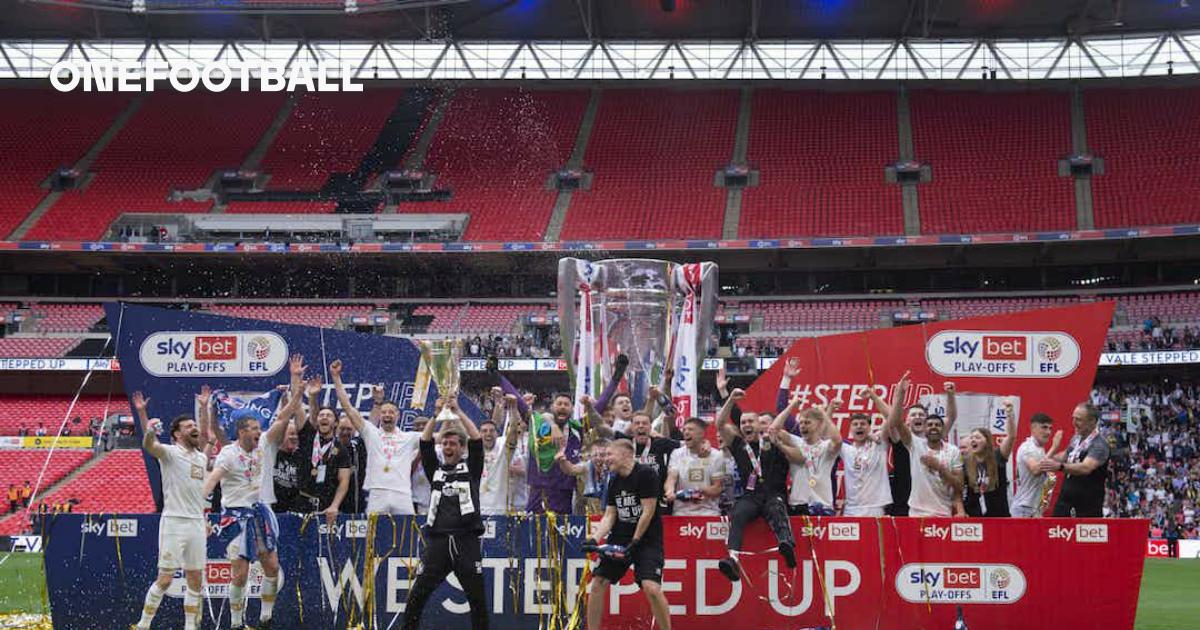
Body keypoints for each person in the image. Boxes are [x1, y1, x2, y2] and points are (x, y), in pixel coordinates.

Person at [202, 356, 302, 630]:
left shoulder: (266, 445)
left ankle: (266, 618)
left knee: (271, 567)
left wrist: (296, 387)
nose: (260, 431)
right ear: (242, 431)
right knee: (240, 575)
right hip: (235, 517)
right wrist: (202, 508)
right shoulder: (228, 454)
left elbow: (284, 416)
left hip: (261, 511)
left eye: (260, 428)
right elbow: (212, 481)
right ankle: (236, 624)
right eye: (255, 428)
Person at [401, 393, 487, 630]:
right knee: (416, 596)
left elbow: (477, 439)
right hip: (438, 542)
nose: (448, 447)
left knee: (478, 601)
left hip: (466, 541)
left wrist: (458, 412)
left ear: (461, 448)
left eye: (453, 444)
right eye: (445, 443)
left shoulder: (471, 469)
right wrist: (437, 416)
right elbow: (425, 443)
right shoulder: (435, 471)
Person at [129, 387, 210, 630]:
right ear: (176, 434)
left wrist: (204, 407)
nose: (194, 429)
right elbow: (149, 445)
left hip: (196, 523)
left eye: (194, 425)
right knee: (165, 579)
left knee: (196, 578)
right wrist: (144, 416)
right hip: (174, 522)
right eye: (188, 427)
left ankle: (189, 627)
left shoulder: (202, 458)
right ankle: (143, 625)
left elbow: (205, 436)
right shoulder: (170, 453)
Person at [584, 439, 671, 630]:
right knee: (598, 583)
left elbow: (648, 511)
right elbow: (609, 515)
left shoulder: (646, 474)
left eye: (609, 454)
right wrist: (594, 539)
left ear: (625, 454)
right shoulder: (613, 480)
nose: (605, 459)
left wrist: (636, 540)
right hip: (620, 539)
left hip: (647, 539)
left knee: (651, 588)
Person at [715, 389, 796, 582]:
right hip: (751, 495)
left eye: (750, 421)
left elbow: (776, 427)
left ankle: (786, 545)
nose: (746, 425)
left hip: (773, 492)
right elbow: (720, 424)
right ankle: (733, 559)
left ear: (760, 424)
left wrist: (792, 405)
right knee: (738, 513)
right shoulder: (738, 444)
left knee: (776, 508)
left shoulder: (771, 441)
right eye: (743, 422)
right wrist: (730, 401)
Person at [330, 359, 422, 515]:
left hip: (403, 494)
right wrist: (336, 378)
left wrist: (447, 410)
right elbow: (348, 408)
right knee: (372, 536)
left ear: (397, 415)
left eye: (391, 412)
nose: (387, 415)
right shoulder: (371, 433)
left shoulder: (409, 437)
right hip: (377, 494)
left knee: (407, 535)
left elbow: (437, 437)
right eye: (384, 412)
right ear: (380, 414)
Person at [870, 381, 958, 516]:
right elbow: (892, 417)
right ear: (906, 421)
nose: (918, 417)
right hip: (903, 501)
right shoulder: (901, 435)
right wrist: (875, 397)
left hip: (934, 504)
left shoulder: (934, 437)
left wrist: (950, 395)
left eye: (921, 415)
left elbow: (950, 417)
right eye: (913, 415)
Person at [300, 375, 352, 524]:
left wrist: (334, 506)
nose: (324, 418)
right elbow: (312, 415)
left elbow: (344, 481)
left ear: (335, 423)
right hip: (302, 504)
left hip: (326, 506)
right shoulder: (309, 439)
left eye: (328, 416)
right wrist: (313, 396)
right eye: (321, 415)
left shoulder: (341, 449)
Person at [1045, 402, 1110, 518]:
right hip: (1065, 502)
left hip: (1086, 506)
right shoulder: (1076, 438)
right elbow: (1064, 456)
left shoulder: (1099, 444)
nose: (1074, 423)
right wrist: (1045, 457)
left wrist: (1060, 467)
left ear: (1092, 421)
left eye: (1079, 420)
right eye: (1073, 418)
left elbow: (1086, 467)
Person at [777, 403, 841, 516]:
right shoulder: (795, 442)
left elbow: (837, 440)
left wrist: (824, 414)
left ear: (819, 425)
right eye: (801, 423)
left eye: (807, 423)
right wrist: (792, 405)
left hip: (823, 505)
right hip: (798, 504)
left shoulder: (826, 446)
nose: (802, 426)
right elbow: (774, 430)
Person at [961, 400, 1018, 517]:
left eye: (977, 437)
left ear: (987, 441)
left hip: (998, 516)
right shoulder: (966, 463)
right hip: (975, 518)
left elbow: (1011, 436)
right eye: (971, 438)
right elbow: (962, 492)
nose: (973, 440)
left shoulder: (997, 456)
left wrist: (1010, 414)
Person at [664, 417, 725, 517]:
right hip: (681, 512)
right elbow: (671, 478)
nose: (686, 432)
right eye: (684, 430)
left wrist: (698, 491)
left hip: (708, 512)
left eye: (691, 429)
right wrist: (669, 490)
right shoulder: (677, 453)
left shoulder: (716, 455)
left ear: (702, 434)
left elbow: (717, 489)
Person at [839, 412, 893, 517]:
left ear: (869, 427)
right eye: (855, 424)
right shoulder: (846, 449)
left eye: (863, 424)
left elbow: (891, 420)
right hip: (851, 509)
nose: (859, 426)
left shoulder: (879, 445)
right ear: (850, 429)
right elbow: (828, 435)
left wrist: (873, 396)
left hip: (875, 508)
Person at [479, 389, 524, 515]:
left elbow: (514, 430)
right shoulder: (473, 452)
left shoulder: (503, 453)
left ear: (497, 434)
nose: (488, 434)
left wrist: (513, 408)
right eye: (484, 431)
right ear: (479, 434)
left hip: (500, 511)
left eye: (491, 431)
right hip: (476, 513)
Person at [1010, 412, 1063, 517]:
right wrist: (1054, 447)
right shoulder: (1028, 447)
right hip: (1024, 508)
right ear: (1033, 428)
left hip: (1034, 508)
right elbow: (1035, 469)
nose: (1048, 432)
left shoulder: (1039, 449)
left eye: (1050, 428)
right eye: (1044, 427)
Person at [556, 438, 612, 514]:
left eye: (602, 455)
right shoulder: (587, 467)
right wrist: (562, 460)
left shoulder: (615, 468)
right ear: (590, 456)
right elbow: (571, 469)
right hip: (592, 515)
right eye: (595, 455)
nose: (598, 458)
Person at [335, 413, 368, 515]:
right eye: (342, 428)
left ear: (355, 430)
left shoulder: (359, 447)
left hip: (357, 506)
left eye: (349, 429)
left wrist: (377, 404)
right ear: (336, 429)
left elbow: (370, 429)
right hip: (333, 506)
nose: (345, 432)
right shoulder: (329, 449)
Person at [271, 422, 305, 513]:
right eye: (292, 434)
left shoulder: (301, 457)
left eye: (297, 435)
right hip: (273, 511)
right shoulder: (271, 454)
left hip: (293, 513)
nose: (295, 437)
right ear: (281, 435)